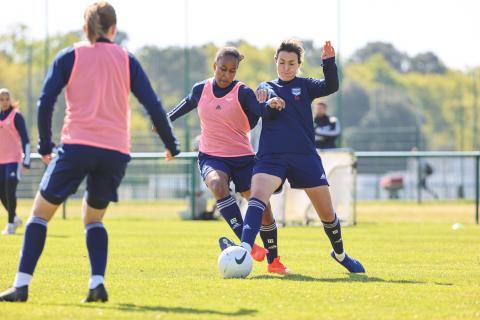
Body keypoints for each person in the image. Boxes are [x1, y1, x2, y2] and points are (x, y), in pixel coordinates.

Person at [0, 1, 179, 303]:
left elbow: (46, 101)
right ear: (114, 29)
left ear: (84, 28)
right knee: (94, 220)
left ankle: (21, 285)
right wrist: (170, 143)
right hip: (115, 152)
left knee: (39, 217)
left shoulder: (70, 55)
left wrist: (45, 145)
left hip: (77, 147)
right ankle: (97, 283)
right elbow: (153, 104)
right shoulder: (127, 59)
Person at [225, 39, 365, 273]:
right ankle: (246, 249)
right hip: (271, 156)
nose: (286, 67)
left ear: (299, 64)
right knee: (257, 198)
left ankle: (340, 254)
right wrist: (270, 103)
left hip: (304, 156)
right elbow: (262, 107)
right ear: (276, 62)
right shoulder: (265, 87)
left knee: (327, 214)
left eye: (291, 63)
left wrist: (328, 63)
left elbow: (331, 86)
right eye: (282, 62)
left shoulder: (306, 85)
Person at [168, 47, 290, 274]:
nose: (226, 75)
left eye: (231, 71)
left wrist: (271, 105)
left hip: (243, 157)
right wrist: (165, 121)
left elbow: (260, 111)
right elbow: (184, 104)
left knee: (262, 208)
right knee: (217, 185)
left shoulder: (242, 92)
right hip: (211, 156)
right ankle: (249, 245)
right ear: (214, 66)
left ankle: (274, 260)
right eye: (222, 69)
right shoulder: (200, 89)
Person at [0, 88, 30, 235]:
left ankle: (10, 225)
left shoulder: (16, 116)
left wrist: (27, 160)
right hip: (1, 161)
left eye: (6, 98)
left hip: (14, 160)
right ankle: (16, 217)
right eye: (1, 99)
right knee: (1, 193)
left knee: (10, 190)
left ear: (10, 99)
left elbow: (25, 139)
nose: (4, 102)